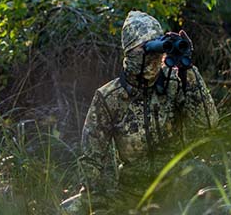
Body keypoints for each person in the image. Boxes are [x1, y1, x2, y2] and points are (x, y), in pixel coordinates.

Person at [63, 11, 219, 212]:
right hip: (131, 192)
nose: (152, 59)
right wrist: (95, 198)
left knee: (200, 173)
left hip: (174, 186)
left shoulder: (175, 82)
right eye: (146, 50)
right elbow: (91, 158)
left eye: (157, 50)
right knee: (72, 208)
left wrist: (188, 70)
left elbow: (207, 124)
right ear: (130, 52)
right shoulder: (110, 97)